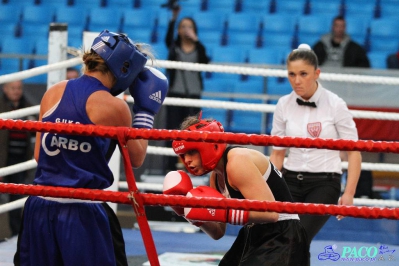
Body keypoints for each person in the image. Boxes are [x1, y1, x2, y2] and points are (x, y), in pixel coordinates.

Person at [14, 30, 168, 265]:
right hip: (82, 212)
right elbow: (136, 157)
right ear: (124, 68)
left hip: (39, 208)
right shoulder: (114, 108)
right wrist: (145, 112)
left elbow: (39, 156)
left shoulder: (53, 92)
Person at [164, 113, 309, 265]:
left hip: (284, 234)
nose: (187, 160)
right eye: (183, 154)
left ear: (209, 144)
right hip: (253, 234)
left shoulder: (237, 161)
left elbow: (271, 213)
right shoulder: (215, 176)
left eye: (192, 151)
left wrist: (226, 212)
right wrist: (191, 214)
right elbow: (218, 232)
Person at [269, 44, 362, 254]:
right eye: (292, 74)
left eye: (303, 74)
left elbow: (354, 151)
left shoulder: (335, 104)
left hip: (324, 183)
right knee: (282, 238)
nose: (297, 80)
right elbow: (277, 153)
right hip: (289, 180)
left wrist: (349, 193)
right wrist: (269, 187)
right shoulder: (283, 104)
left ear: (317, 73)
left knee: (298, 237)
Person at [164, 6, 210, 172]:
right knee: (172, 131)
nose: (186, 29)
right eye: (182, 26)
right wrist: (174, 18)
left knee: (193, 133)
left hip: (193, 94)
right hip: (176, 93)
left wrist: (196, 40)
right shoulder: (174, 46)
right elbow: (167, 40)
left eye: (189, 26)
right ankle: (169, 169)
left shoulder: (199, 48)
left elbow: (206, 62)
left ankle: (195, 167)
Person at [0, 80, 35, 237]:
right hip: (2, 159)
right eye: (13, 88)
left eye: (19, 88)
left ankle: (15, 235)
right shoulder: (0, 106)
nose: (16, 91)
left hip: (20, 159)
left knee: (16, 198)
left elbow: (36, 132)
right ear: (5, 89)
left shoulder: (28, 107)